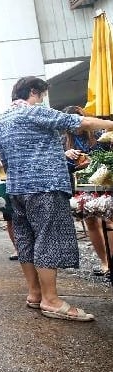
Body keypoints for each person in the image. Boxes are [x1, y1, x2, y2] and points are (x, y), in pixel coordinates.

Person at [0, 75, 113, 322]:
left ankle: (35, 294)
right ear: (33, 92)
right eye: (42, 96)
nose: (43, 101)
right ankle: (51, 300)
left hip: (16, 190)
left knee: (27, 240)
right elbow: (80, 121)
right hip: (46, 186)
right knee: (48, 239)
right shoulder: (34, 113)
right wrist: (110, 125)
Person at [62, 105, 112, 277]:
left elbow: (108, 158)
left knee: (109, 221)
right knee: (91, 222)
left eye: (78, 122)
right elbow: (63, 167)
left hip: (104, 182)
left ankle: (111, 261)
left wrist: (91, 160)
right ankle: (104, 262)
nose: (75, 128)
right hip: (81, 185)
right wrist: (66, 156)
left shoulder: (99, 135)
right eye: (70, 125)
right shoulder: (64, 141)